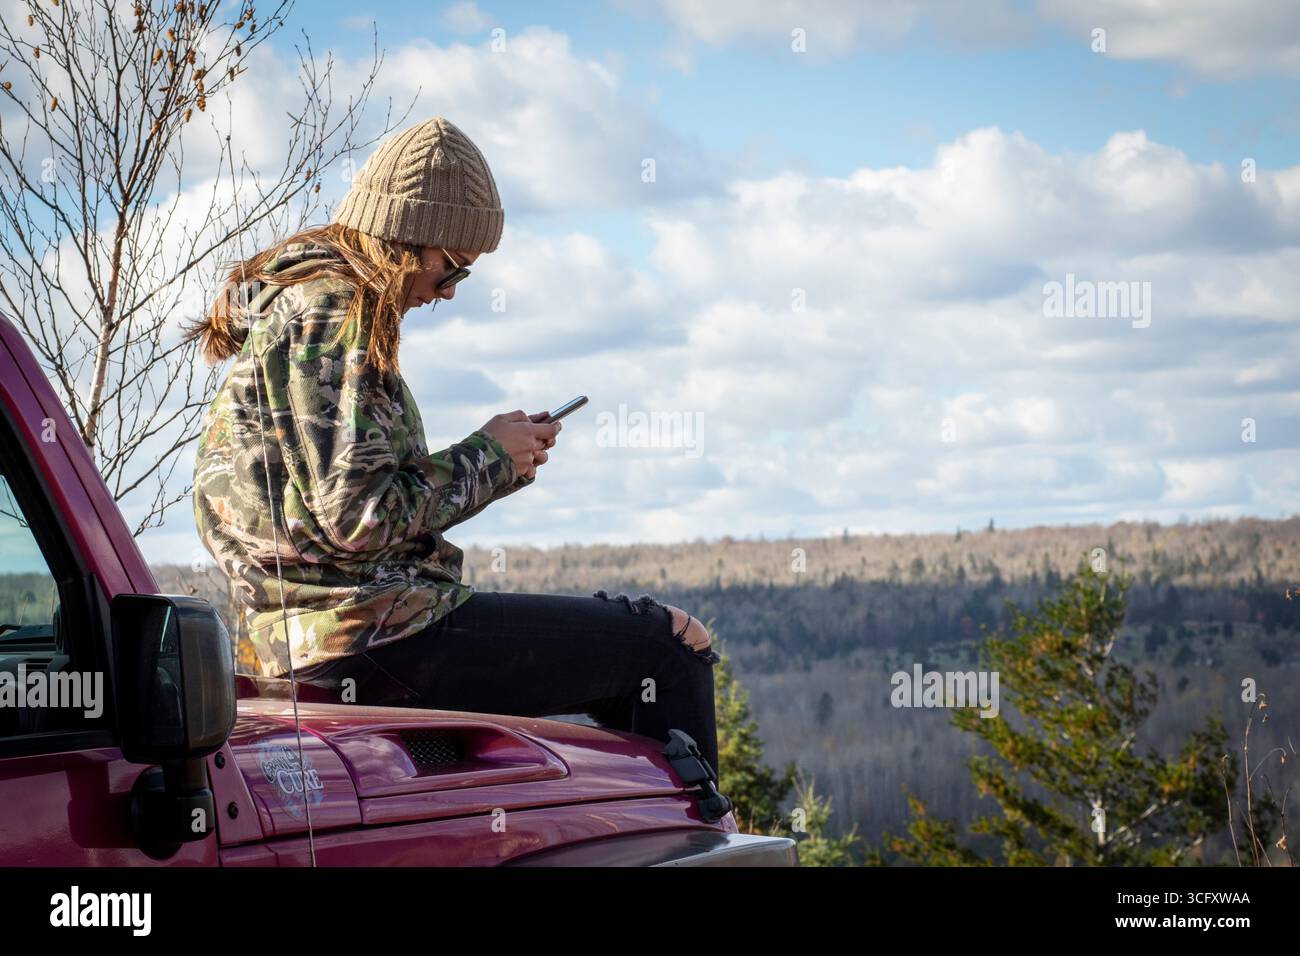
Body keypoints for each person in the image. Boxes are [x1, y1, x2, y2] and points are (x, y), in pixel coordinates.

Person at [187, 116, 722, 773]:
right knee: (665, 647)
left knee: (632, 662)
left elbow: (337, 508)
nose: (444, 296)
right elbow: (359, 516)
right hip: (371, 637)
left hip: (302, 645)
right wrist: (490, 458)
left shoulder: (294, 316)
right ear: (415, 241)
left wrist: (497, 459)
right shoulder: (336, 314)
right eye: (453, 273)